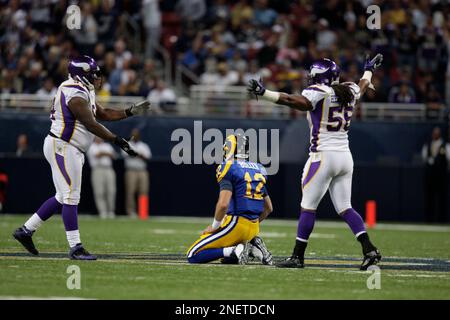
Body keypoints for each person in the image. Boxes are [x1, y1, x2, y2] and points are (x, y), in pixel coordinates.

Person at [247, 54, 384, 270]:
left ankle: (297, 257)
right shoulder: (349, 89)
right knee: (345, 207)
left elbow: (294, 101)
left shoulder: (319, 92)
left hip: (322, 156)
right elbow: (363, 85)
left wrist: (264, 94)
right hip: (345, 157)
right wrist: (369, 69)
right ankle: (369, 249)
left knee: (308, 207)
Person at [12, 55, 150, 260]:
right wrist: (117, 140)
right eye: (94, 75)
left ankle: (26, 231)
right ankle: (75, 247)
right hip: (64, 146)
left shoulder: (83, 90)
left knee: (62, 197)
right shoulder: (73, 92)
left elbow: (101, 114)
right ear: (82, 75)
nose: (98, 79)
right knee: (70, 196)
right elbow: (91, 123)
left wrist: (129, 112)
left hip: (70, 148)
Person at [187, 134, 273, 265]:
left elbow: (223, 204)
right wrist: (252, 223)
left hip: (236, 224)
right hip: (254, 227)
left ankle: (235, 250)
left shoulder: (229, 167)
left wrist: (214, 227)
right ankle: (254, 249)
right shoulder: (259, 169)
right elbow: (268, 208)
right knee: (227, 260)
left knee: (193, 254)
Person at [421, 127, 450, 222]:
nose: (435, 135)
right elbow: (424, 158)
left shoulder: (445, 145)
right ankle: (429, 219)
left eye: (437, 133)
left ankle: (442, 220)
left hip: (441, 177)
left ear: (440, 134)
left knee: (442, 199)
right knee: (429, 199)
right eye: (434, 133)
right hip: (430, 177)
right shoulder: (428, 145)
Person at [123, 129, 152, 218]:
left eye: (136, 134)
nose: (135, 136)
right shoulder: (127, 144)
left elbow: (148, 157)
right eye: (133, 134)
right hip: (131, 170)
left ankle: (143, 212)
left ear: (139, 136)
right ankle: (131, 212)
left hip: (142, 170)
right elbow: (130, 154)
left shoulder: (144, 145)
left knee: (143, 191)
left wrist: (137, 155)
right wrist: (139, 155)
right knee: (130, 191)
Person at [87, 137, 117, 219]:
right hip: (97, 169)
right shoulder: (91, 146)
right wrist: (106, 154)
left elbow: (114, 155)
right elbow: (97, 155)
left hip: (108, 169)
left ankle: (111, 211)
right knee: (99, 192)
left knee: (111, 191)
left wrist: (103, 153)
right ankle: (102, 212)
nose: (99, 138)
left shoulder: (107, 145)